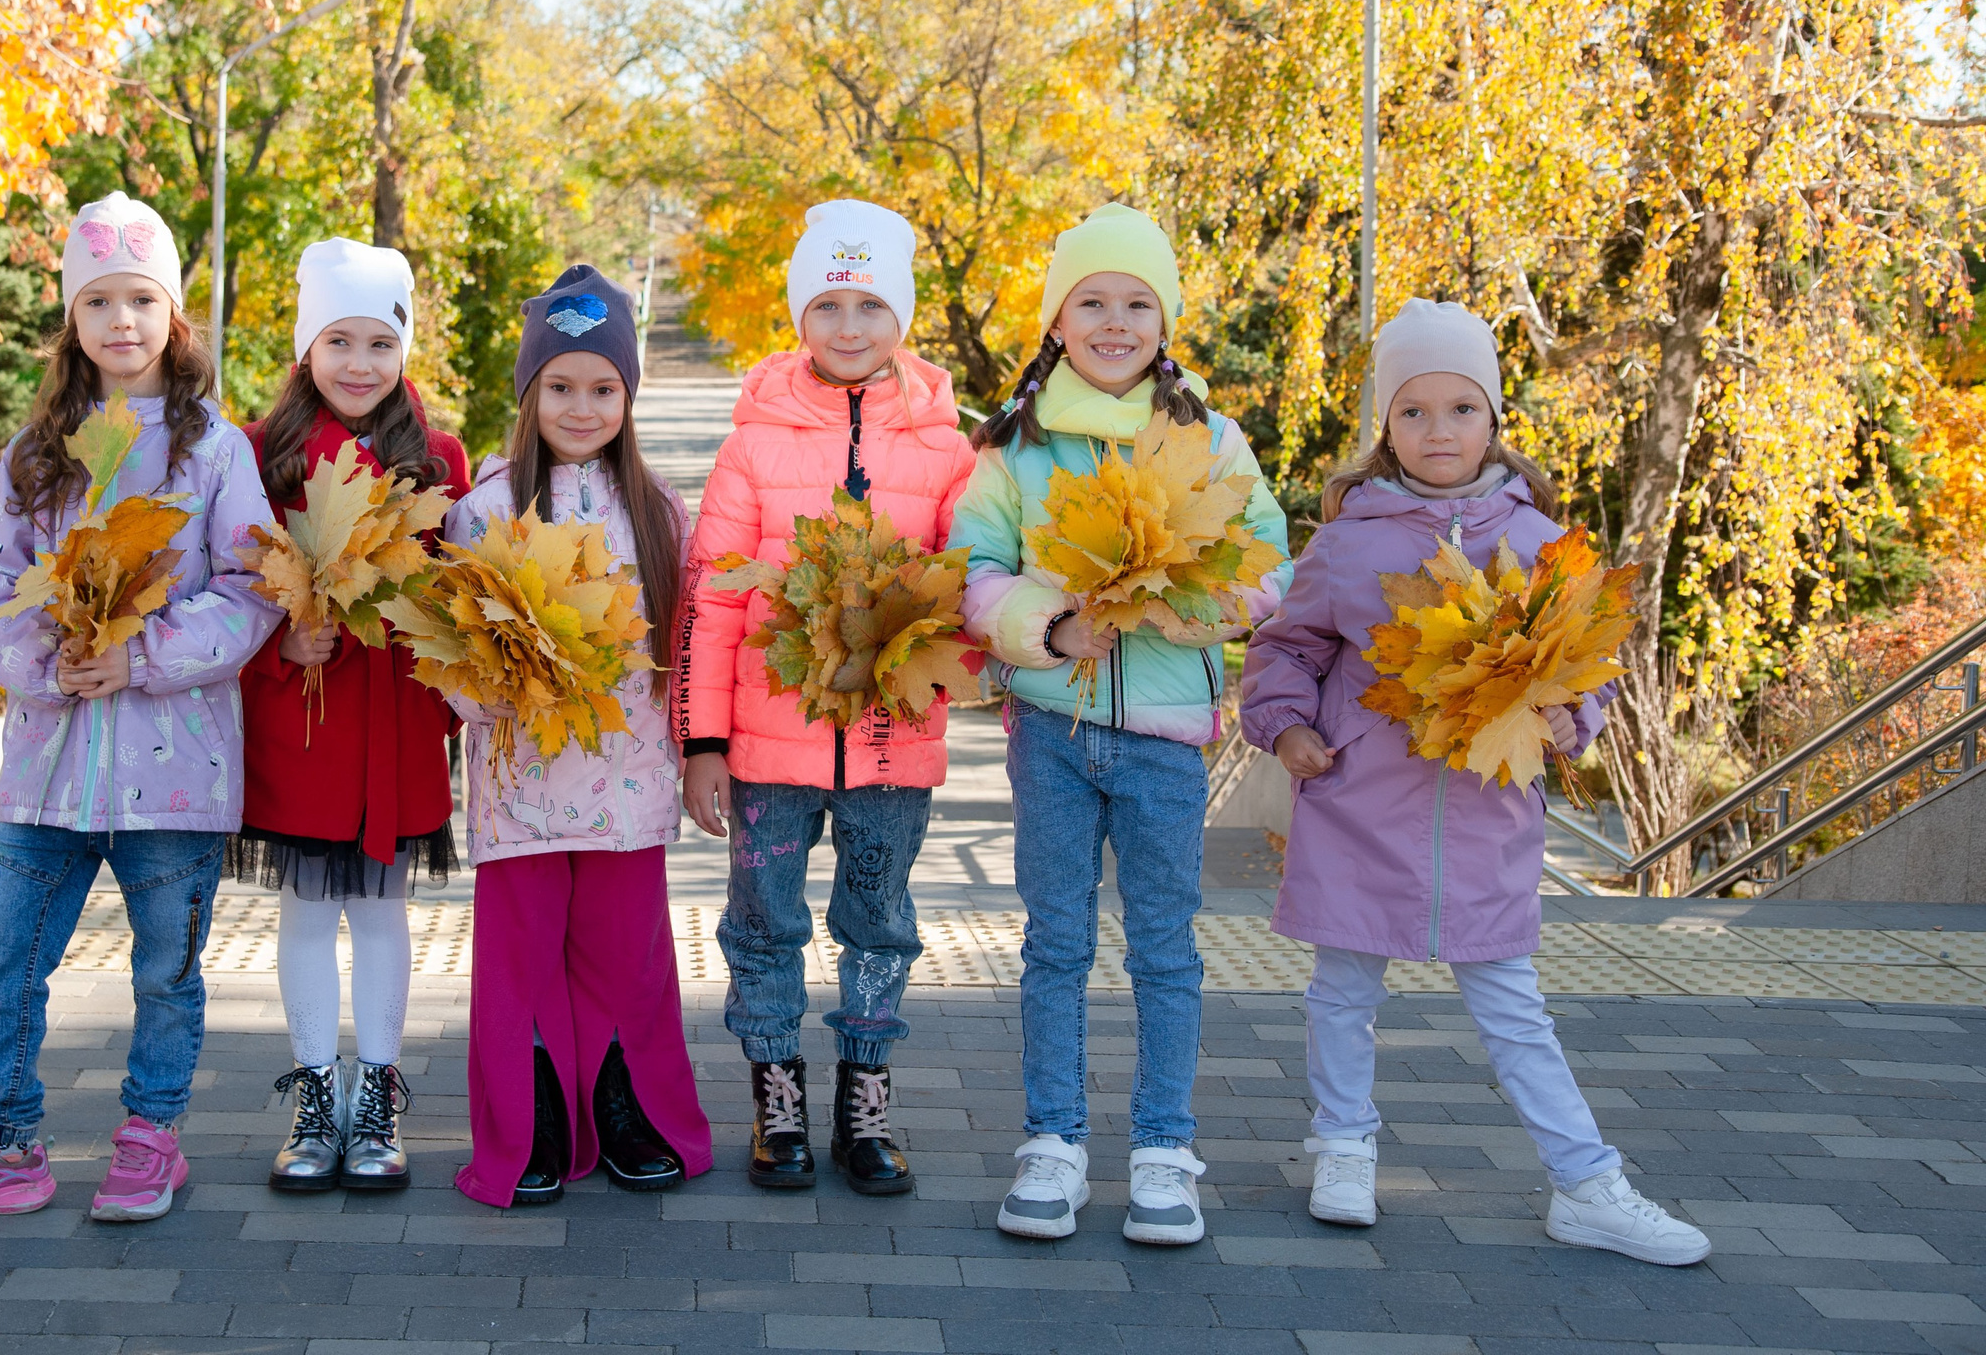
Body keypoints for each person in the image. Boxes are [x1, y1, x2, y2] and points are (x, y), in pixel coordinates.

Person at [1239, 297, 1710, 1265]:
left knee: (1513, 1009)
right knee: (1339, 992)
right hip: (1357, 810)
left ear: (1494, 418)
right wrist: (1284, 730)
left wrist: (1565, 721)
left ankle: (1585, 1182)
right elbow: (1283, 647)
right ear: (1383, 426)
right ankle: (1341, 1144)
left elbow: (1587, 670)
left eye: (1461, 408)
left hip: (1489, 824)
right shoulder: (1347, 542)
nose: (1438, 430)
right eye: (1412, 411)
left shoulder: (1537, 542)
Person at [0, 192, 281, 1224]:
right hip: (47, 769)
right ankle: (5, 1142)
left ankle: (152, 1140)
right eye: (97, 301)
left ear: (173, 316)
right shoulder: (34, 457)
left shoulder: (216, 452)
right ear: (71, 320)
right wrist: (52, 666)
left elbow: (249, 591)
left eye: (141, 299)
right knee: (3, 952)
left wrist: (141, 653)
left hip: (175, 771)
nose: (121, 322)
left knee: (167, 971)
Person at [949, 204, 1290, 1247]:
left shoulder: (1209, 438)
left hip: (1164, 741)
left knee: (1164, 951)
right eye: (1090, 300)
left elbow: (1269, 560)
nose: (1112, 320)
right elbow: (975, 572)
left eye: (1136, 302)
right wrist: (1047, 629)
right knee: (1054, 944)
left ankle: (1161, 1154)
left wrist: (1209, 608)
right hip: (1050, 733)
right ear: (1056, 318)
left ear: (1165, 320)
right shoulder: (1014, 441)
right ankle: (1050, 1146)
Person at [679, 200, 978, 1196]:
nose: (849, 327)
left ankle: (867, 1101)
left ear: (903, 318)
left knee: (879, 919)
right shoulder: (753, 444)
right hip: (768, 751)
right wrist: (703, 740)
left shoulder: (945, 448)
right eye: (829, 305)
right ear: (800, 315)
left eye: (871, 306)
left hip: (892, 746)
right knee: (762, 921)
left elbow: (970, 588)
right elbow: (712, 601)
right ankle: (776, 1101)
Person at [443, 265, 714, 1207]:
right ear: (529, 392)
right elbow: (454, 662)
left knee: (624, 951)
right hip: (520, 786)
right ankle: (536, 1119)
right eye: (560, 385)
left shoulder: (663, 514)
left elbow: (685, 648)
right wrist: (500, 693)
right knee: (518, 958)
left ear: (629, 396)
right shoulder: (479, 512)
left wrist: (697, 756)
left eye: (604, 388)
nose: (582, 405)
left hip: (629, 781)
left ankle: (626, 1102)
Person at [236, 237, 469, 1194]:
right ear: (307, 346)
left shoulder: (439, 455)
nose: (360, 363)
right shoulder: (261, 452)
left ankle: (376, 1091)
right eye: (339, 340)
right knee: (304, 912)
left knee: (381, 911)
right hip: (307, 719)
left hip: (397, 718)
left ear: (405, 348)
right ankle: (316, 1096)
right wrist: (279, 648)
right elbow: (229, 577)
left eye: (381, 342)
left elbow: (460, 597)